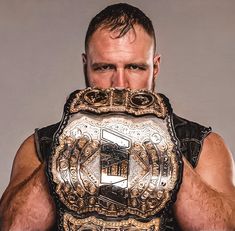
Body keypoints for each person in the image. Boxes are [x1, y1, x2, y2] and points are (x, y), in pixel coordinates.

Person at [0, 3, 235, 231]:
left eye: (134, 67)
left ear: (155, 67)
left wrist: (165, 148)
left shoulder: (203, 145)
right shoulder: (40, 145)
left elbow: (222, 227)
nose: (120, 85)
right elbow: (13, 226)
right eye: (104, 67)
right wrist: (64, 149)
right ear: (85, 66)